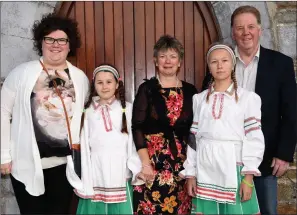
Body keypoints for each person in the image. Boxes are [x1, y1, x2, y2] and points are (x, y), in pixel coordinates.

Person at [202, 5, 297, 214]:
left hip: (264, 159)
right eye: (240, 28)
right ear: (233, 33)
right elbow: (205, 112)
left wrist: (284, 153)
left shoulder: (281, 64)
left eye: (251, 27)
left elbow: (291, 112)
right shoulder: (220, 63)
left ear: (260, 30)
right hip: (222, 161)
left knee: (265, 211)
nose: (246, 32)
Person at [1, 13, 89, 214]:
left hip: (64, 165)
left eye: (62, 40)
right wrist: (3, 155)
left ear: (69, 45)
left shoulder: (80, 78)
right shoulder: (21, 73)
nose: (55, 44)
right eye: (50, 39)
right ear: (41, 42)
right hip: (26, 162)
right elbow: (3, 112)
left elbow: (81, 117)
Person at [184, 42, 265, 214]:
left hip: (234, 169)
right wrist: (190, 173)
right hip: (205, 168)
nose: (220, 65)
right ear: (209, 66)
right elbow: (194, 139)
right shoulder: (199, 99)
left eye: (225, 61)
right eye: (214, 62)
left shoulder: (248, 98)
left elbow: (254, 138)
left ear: (233, 64)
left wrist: (248, 177)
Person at [132, 35, 198, 214]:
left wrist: (193, 167)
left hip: (182, 167)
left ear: (179, 62)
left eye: (173, 56)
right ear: (155, 60)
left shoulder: (191, 91)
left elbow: (195, 131)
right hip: (152, 165)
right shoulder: (146, 90)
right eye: (162, 56)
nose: (167, 61)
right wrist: (145, 164)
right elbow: (137, 127)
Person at [66, 65, 143, 214]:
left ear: (117, 83)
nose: (105, 86)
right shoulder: (86, 111)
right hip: (95, 171)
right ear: (94, 84)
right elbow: (82, 143)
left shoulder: (128, 109)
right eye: (100, 82)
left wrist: (136, 167)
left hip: (119, 171)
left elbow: (134, 141)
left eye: (109, 82)